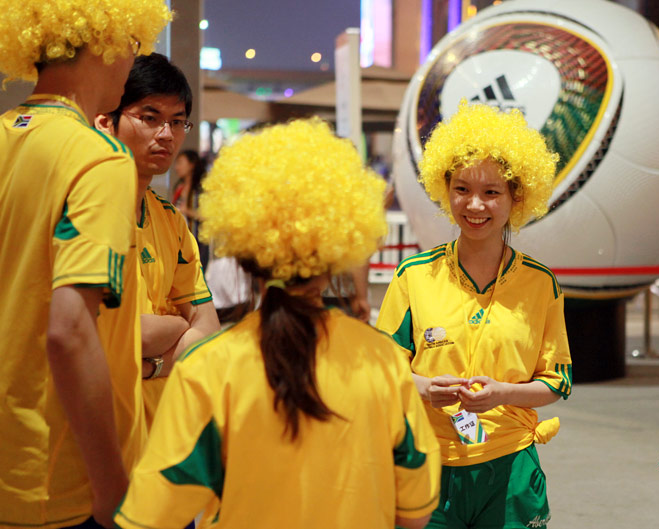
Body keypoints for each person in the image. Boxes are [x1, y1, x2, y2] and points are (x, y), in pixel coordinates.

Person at [114, 118, 441, 529]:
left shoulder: (209, 369)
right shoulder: (382, 362)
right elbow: (416, 511)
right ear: (342, 242)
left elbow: (151, 515)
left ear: (244, 249)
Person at [0, 2, 170, 528]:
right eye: (137, 42)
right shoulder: (98, 159)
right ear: (111, 36)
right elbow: (70, 332)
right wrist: (113, 487)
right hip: (58, 480)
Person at [376, 102, 572, 529]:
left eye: (491, 192)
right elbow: (384, 369)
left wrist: (502, 393)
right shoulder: (414, 276)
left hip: (510, 469)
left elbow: (556, 382)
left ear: (516, 198)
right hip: (425, 463)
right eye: (462, 188)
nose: (475, 205)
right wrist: (426, 387)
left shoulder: (542, 285)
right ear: (444, 188)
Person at [95, 53, 220, 429]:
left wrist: (153, 365)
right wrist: (175, 326)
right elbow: (95, 334)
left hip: (161, 426)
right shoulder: (83, 208)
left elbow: (208, 326)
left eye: (178, 121)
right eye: (150, 118)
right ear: (108, 121)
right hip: (93, 426)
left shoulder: (170, 220)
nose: (166, 134)